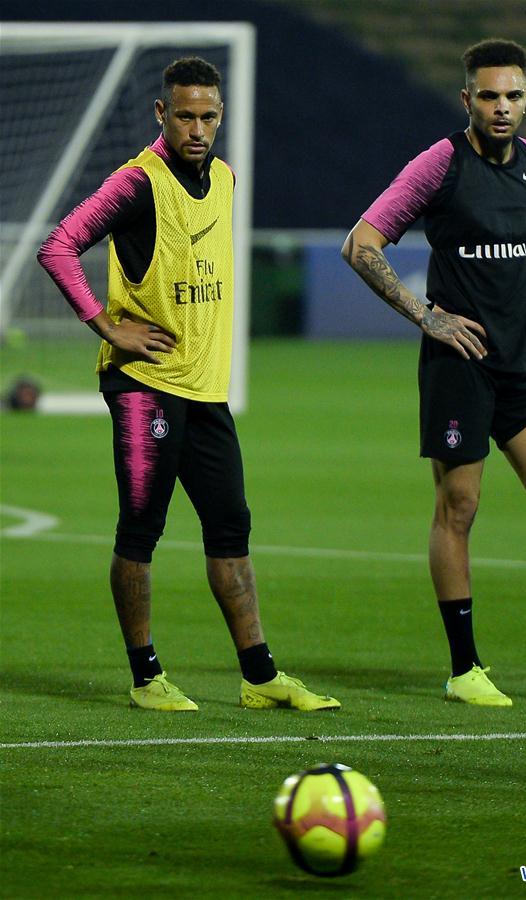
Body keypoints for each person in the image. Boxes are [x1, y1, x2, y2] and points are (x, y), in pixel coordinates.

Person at [342, 39, 526, 709]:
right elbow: (360, 244)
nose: (501, 107)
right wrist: (426, 317)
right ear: (467, 100)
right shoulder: (440, 166)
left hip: (524, 366)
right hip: (461, 368)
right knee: (460, 508)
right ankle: (464, 669)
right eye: (489, 95)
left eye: (512, 96)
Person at [38, 56, 340, 713]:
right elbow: (59, 245)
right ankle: (146, 676)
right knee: (141, 528)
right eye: (184, 116)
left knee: (231, 526)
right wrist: (105, 327)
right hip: (143, 385)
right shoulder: (136, 184)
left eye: (208, 116)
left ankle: (260, 677)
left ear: (220, 115)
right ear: (161, 114)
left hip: (205, 389)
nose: (197, 127)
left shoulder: (226, 178)